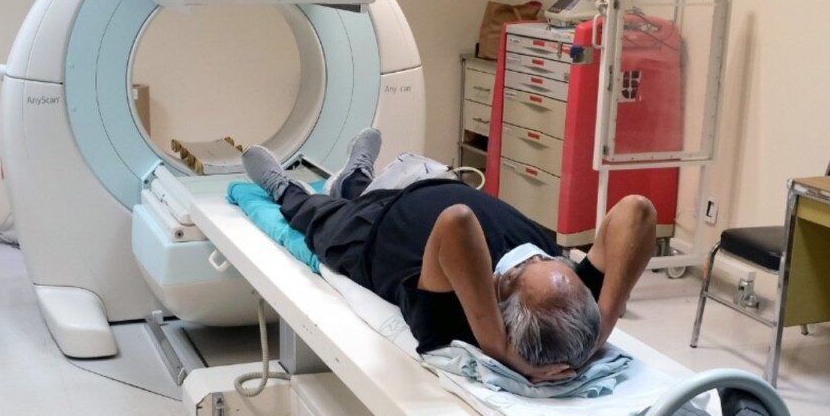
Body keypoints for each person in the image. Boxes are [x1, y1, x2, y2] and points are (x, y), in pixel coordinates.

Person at [239, 129, 656, 380]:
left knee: (316, 212)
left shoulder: (457, 320)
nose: (535, 258)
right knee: (360, 189)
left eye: (525, 270)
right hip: (418, 186)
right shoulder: (564, 296)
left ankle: (282, 187)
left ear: (499, 301)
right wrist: (604, 324)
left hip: (365, 235)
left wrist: (497, 345)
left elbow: (458, 222)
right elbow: (637, 210)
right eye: (549, 261)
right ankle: (356, 174)